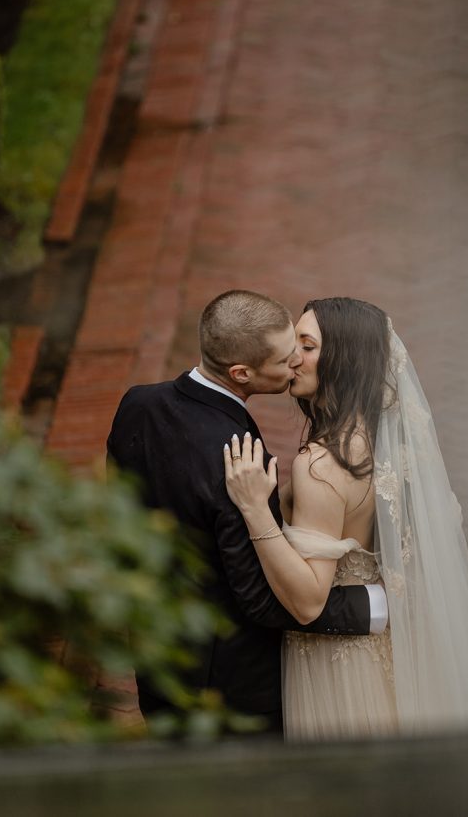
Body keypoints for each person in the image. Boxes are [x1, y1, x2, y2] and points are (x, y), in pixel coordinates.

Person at [225, 297, 468, 740]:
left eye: (307, 345)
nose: (293, 358)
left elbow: (307, 600)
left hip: (338, 663)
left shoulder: (322, 463)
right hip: (394, 650)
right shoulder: (388, 442)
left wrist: (254, 509)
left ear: (344, 359)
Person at [106, 290, 388, 735]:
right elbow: (258, 596)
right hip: (232, 687)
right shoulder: (240, 459)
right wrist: (374, 607)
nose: (296, 362)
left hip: (158, 657)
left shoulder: (137, 405)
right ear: (242, 373)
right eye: (287, 357)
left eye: (302, 348)